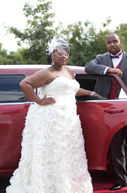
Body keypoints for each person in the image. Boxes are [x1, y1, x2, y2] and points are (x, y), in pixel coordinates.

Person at [7, 38, 99, 193]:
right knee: (52, 152)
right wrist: (39, 101)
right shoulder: (46, 73)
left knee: (67, 152)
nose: (64, 56)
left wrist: (92, 93)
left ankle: (67, 186)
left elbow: (73, 90)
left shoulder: (68, 71)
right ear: (52, 55)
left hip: (69, 118)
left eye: (66, 54)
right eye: (60, 53)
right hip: (52, 119)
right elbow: (25, 84)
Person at [84, 32, 127, 193]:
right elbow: (88, 67)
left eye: (114, 42)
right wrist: (109, 69)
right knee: (116, 149)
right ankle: (121, 180)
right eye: (108, 43)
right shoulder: (100, 59)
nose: (111, 45)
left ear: (120, 42)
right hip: (111, 114)